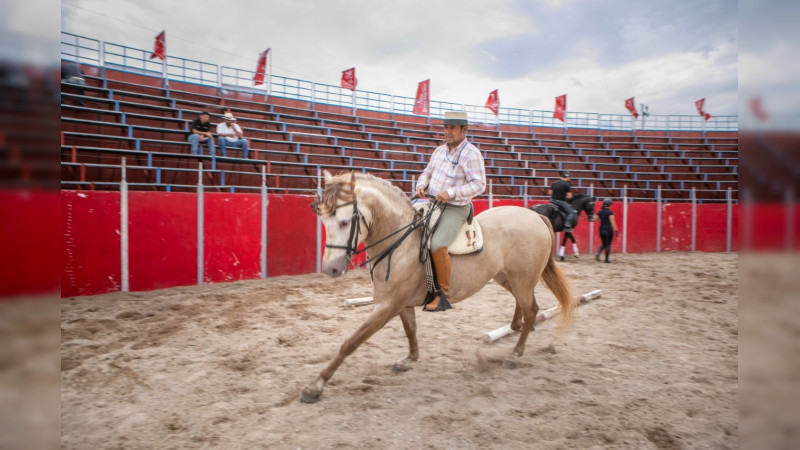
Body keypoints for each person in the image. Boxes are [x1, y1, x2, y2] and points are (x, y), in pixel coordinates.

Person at [415, 111, 486, 312]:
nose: (448, 132)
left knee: (437, 244)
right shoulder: (438, 151)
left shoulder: (472, 154)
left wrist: (452, 192)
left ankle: (444, 295)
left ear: (464, 130)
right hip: (432, 202)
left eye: (452, 128)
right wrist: (422, 184)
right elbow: (427, 172)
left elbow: (479, 185)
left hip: (456, 208)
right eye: (446, 128)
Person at [595, 198, 620, 263]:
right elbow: (612, 222)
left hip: (601, 229)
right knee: (608, 244)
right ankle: (606, 259)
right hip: (608, 230)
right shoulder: (610, 212)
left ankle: (598, 253)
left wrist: (589, 219)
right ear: (609, 205)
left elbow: (595, 220)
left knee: (604, 243)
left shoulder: (600, 212)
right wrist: (616, 230)